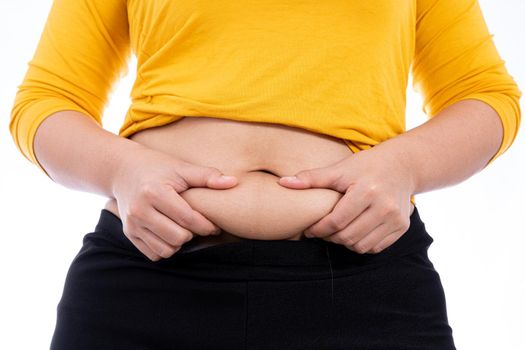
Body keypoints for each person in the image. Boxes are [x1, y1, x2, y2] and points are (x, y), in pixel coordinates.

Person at [8, 0, 521, 349]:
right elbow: (48, 101)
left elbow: (485, 96)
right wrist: (121, 170)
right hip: (148, 278)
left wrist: (405, 168)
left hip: (363, 286)